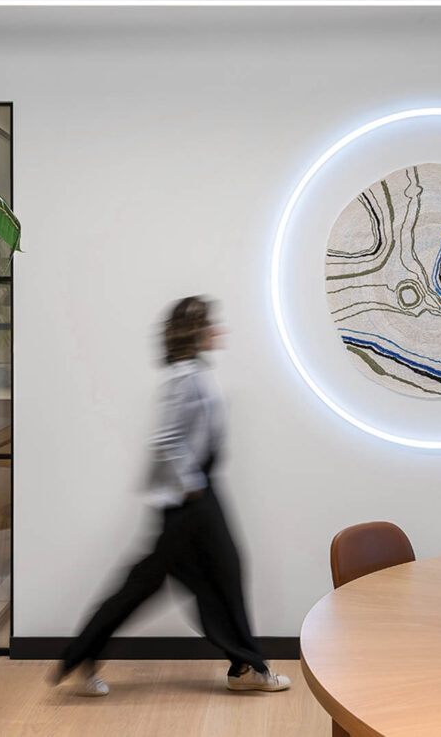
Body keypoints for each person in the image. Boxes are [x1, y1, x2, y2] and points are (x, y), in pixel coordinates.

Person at [53, 296, 290, 696]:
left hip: (194, 495)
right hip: (190, 500)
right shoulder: (184, 376)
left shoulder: (195, 372)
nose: (219, 331)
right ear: (196, 331)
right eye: (212, 325)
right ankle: (246, 668)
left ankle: (242, 667)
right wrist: (193, 483)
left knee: (189, 580)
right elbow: (167, 438)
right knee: (212, 576)